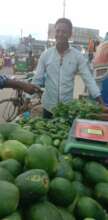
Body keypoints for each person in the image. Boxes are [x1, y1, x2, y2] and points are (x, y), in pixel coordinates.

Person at [28, 18, 106, 118]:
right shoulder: (46, 55)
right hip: (48, 107)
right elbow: (37, 79)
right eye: (58, 31)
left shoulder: (77, 56)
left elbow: (89, 80)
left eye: (64, 32)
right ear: (54, 33)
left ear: (70, 34)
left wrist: (101, 102)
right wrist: (28, 98)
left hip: (66, 108)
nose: (60, 34)